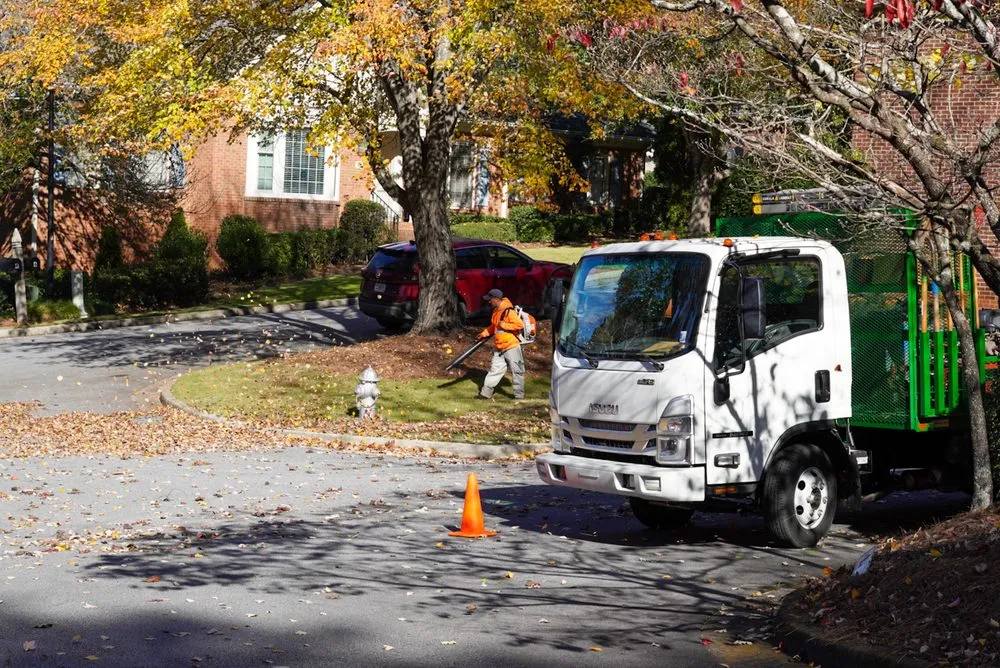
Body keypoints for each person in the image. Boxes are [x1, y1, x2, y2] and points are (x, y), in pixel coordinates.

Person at [477, 288, 525, 400]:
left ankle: (519, 397)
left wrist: (505, 325)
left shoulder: (509, 311)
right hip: (500, 347)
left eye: (490, 299)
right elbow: (494, 326)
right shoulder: (496, 311)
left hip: (511, 346)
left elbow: (520, 325)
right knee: (494, 371)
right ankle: (485, 394)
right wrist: (484, 333)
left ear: (496, 299)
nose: (489, 302)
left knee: (517, 371)